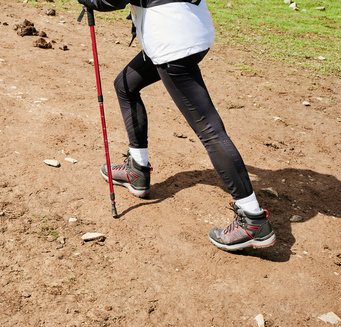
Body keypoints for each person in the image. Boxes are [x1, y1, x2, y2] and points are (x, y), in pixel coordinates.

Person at [77, 0, 276, 251]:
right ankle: (136, 171)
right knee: (125, 85)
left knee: (209, 129)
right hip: (190, 27)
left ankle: (253, 221)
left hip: (172, 39)